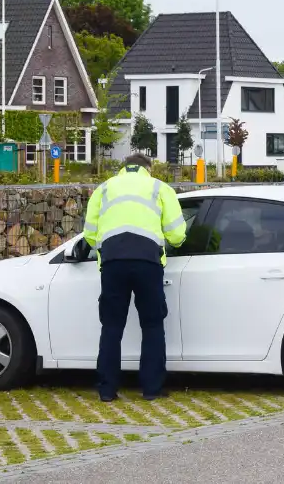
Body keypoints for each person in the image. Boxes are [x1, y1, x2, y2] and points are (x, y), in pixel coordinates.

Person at [83, 153, 187, 401]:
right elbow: (176, 234)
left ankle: (107, 391)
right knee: (152, 325)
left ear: (124, 167)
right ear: (147, 168)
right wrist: (176, 242)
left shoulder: (104, 189)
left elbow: (89, 234)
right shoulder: (159, 188)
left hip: (112, 263)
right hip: (147, 263)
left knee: (111, 326)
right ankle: (152, 389)